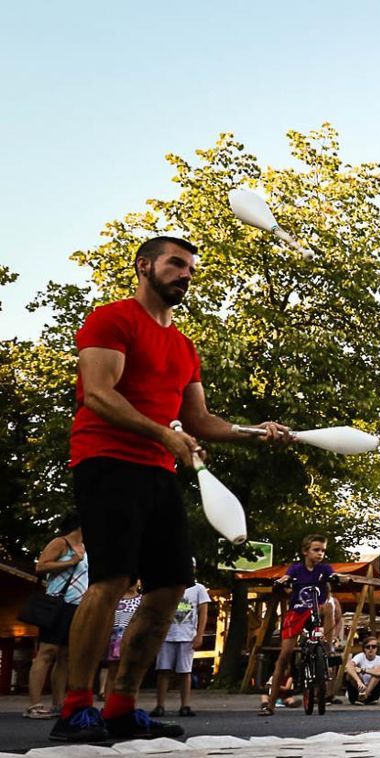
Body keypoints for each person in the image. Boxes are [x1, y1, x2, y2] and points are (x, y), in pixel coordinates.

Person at [53, 236, 291, 743]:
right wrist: (164, 432)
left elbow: (201, 420)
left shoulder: (184, 345)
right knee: (111, 580)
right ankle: (75, 707)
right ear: (144, 266)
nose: (185, 274)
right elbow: (98, 392)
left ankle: (120, 706)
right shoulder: (112, 319)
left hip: (160, 469)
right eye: (175, 264)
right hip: (107, 460)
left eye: (190, 268)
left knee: (168, 588)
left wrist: (257, 430)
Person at [261, 534, 341, 716]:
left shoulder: (324, 569)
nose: (320, 554)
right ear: (306, 551)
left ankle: (327, 647)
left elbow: (333, 574)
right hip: (297, 611)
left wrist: (337, 578)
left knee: (329, 606)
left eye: (322, 550)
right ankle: (271, 704)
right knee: (285, 655)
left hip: (316, 609)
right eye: (316, 550)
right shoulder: (296, 569)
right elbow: (286, 578)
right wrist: (281, 582)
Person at [25, 514, 88, 721]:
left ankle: (58, 704)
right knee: (47, 651)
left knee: (66, 655)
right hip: (57, 603)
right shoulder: (61, 543)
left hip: (77, 606)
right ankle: (34, 704)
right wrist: (71, 561)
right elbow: (41, 566)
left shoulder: (86, 548)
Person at [151, 575, 209, 717]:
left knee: (185, 672)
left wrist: (200, 634)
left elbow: (203, 613)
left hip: (187, 635)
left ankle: (185, 705)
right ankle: (160, 705)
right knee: (163, 670)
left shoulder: (198, 589)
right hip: (167, 635)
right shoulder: (166, 587)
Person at [101, 583, 142, 704]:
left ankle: (130, 705)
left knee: (131, 674)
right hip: (115, 640)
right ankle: (108, 704)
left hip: (132, 641)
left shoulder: (141, 600)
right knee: (112, 672)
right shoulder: (115, 599)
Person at [343, 636, 380, 705]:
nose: (371, 649)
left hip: (372, 693)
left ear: (377, 648)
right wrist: (359, 682)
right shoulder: (360, 656)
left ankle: (364, 695)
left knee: (377, 674)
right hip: (356, 692)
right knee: (350, 674)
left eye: (374, 646)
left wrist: (363, 670)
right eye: (368, 647)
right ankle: (362, 695)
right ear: (364, 649)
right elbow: (348, 666)